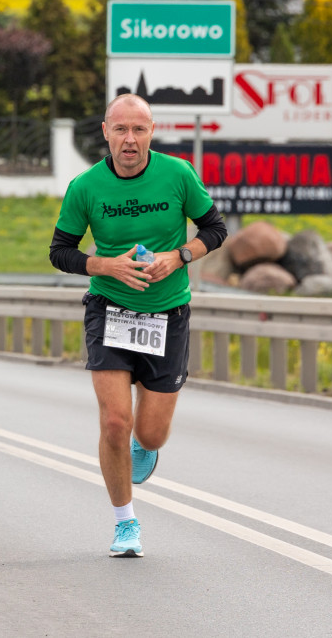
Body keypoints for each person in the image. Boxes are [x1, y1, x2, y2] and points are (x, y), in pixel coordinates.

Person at [48, 93, 227, 558]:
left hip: (168, 314)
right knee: (113, 421)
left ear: (152, 132)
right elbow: (61, 251)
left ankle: (143, 447)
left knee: (149, 434)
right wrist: (105, 266)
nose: (130, 140)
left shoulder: (178, 175)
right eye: (121, 130)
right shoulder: (86, 187)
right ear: (106, 132)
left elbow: (216, 229)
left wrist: (180, 256)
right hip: (111, 311)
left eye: (139, 129)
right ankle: (125, 523)